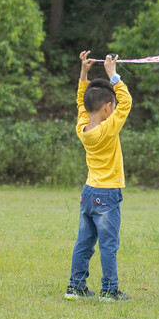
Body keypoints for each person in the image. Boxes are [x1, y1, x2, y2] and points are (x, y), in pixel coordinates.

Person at [64, 50, 132, 301]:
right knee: (108, 245)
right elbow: (127, 102)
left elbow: (81, 103)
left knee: (84, 242)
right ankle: (110, 290)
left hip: (89, 192)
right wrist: (113, 75)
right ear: (107, 108)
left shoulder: (82, 127)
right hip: (108, 194)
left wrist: (84, 73)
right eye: (112, 108)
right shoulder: (108, 129)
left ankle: (75, 287)